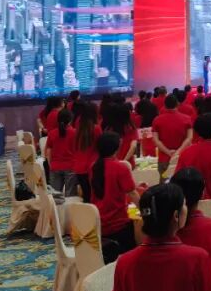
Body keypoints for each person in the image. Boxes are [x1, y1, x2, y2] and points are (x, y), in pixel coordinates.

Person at [91, 132, 140, 263]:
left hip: (98, 221)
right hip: (118, 223)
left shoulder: (94, 167)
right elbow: (132, 193)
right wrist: (145, 210)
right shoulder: (120, 168)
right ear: (116, 148)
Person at [152, 94, 193, 180]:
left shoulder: (157, 120)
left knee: (165, 184)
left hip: (164, 158)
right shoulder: (187, 119)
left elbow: (155, 140)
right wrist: (178, 152)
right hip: (182, 157)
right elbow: (189, 138)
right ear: (177, 104)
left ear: (165, 105)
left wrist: (168, 152)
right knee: (183, 184)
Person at [44, 108, 76, 196]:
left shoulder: (52, 133)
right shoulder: (74, 132)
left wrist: (51, 165)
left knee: (55, 196)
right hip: (71, 167)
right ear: (70, 120)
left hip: (55, 166)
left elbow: (48, 151)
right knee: (70, 196)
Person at [72, 101, 99, 201]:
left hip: (79, 167)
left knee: (86, 195)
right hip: (92, 166)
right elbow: (100, 147)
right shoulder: (96, 129)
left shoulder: (78, 129)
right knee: (94, 196)